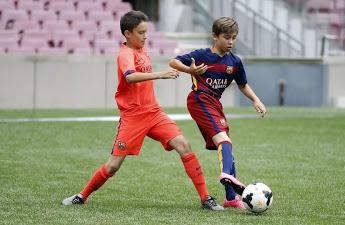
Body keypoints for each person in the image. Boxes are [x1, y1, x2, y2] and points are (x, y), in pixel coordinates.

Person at [62, 10, 224, 211]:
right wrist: (161, 75)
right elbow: (130, 76)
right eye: (141, 32)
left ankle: (205, 198)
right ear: (128, 33)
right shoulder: (125, 54)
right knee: (113, 166)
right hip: (133, 117)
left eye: (146, 32)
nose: (145, 36)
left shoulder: (142, 50)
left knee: (184, 145)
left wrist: (190, 70)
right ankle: (82, 196)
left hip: (154, 113)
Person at [169, 17, 267, 209]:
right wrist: (190, 69)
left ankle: (231, 198)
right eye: (227, 37)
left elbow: (242, 84)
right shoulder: (202, 55)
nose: (231, 41)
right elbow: (173, 62)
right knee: (224, 141)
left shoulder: (235, 62)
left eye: (234, 38)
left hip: (214, 104)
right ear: (215, 36)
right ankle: (227, 175)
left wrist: (256, 100)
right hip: (199, 99)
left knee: (226, 147)